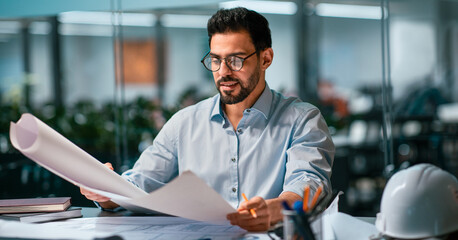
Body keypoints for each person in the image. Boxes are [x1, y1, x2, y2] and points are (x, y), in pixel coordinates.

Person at [81, 7, 335, 231]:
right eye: (216, 60)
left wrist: (278, 208)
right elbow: (141, 184)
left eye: (235, 60)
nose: (223, 72)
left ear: (265, 58)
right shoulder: (184, 123)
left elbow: (309, 182)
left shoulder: (302, 119)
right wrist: (105, 191)